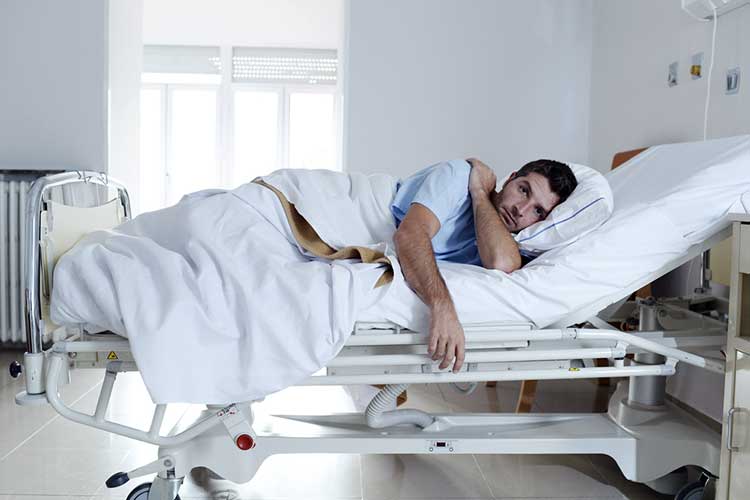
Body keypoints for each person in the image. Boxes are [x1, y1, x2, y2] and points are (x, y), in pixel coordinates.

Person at [391, 158, 577, 374]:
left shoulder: (507, 242)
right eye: (523, 190)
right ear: (511, 178)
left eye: (538, 212)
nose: (521, 209)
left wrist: (480, 193)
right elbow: (409, 235)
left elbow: (502, 263)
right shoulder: (461, 176)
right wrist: (442, 306)